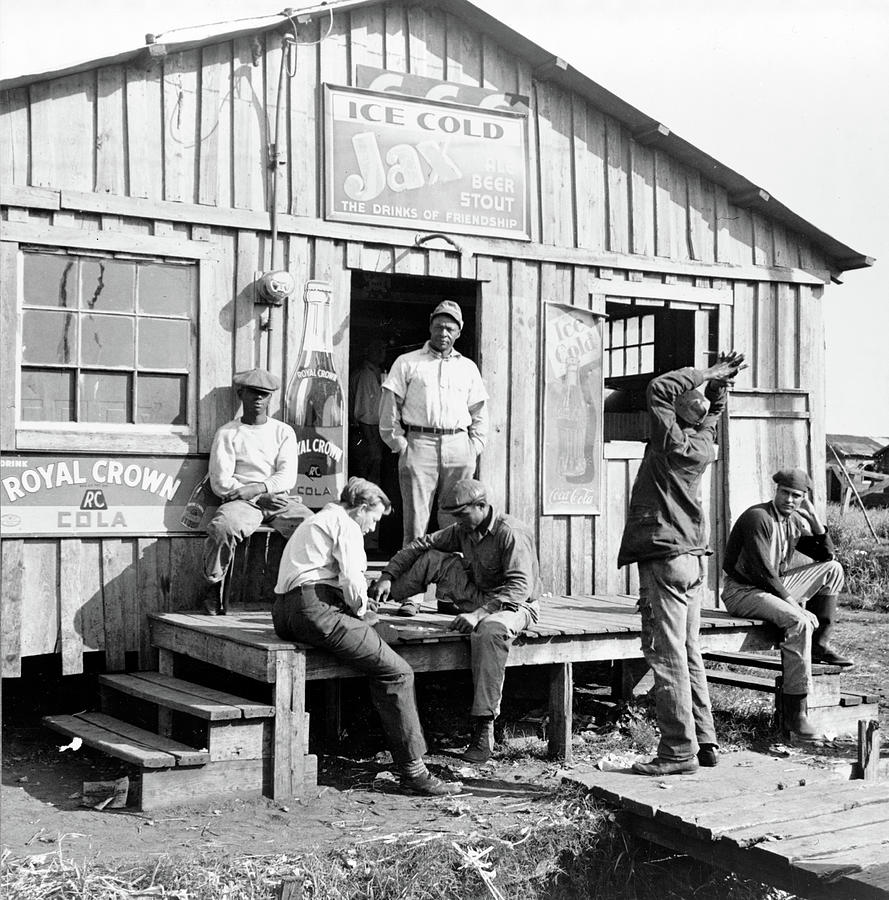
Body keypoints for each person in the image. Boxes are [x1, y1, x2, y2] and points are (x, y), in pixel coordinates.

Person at [272, 477, 461, 797]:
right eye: (373, 519)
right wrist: (363, 611)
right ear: (360, 508)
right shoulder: (344, 523)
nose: (372, 528)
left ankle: (376, 738)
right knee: (398, 671)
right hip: (315, 610)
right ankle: (413, 772)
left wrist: (359, 610)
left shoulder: (316, 519)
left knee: (377, 638)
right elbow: (351, 580)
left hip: (285, 612)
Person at [617, 352, 745, 776]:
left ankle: (677, 752)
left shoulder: (669, 439)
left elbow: (658, 388)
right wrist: (719, 390)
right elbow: (713, 413)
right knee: (690, 652)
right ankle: (705, 741)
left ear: (675, 413)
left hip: (665, 555)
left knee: (666, 655)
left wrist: (708, 374)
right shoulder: (703, 442)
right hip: (693, 559)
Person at [369, 479, 542, 764]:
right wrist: (388, 576)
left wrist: (477, 615)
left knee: (490, 631)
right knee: (433, 557)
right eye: (455, 516)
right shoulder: (464, 528)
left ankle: (484, 727)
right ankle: (376, 598)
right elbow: (421, 545)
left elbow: (519, 589)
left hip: (516, 606)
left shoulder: (510, 532)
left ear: (482, 507)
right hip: (480, 598)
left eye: (462, 514)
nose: (458, 522)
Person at [721, 468, 852, 739]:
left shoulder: (792, 520)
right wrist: (795, 606)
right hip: (743, 591)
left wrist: (815, 519)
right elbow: (762, 572)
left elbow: (826, 554)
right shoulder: (758, 517)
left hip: (772, 589)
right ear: (776, 491)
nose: (789, 500)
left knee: (833, 569)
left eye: (797, 496)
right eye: (785, 493)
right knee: (799, 621)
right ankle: (796, 713)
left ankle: (819, 646)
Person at [379, 301, 489, 616]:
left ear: (459, 331)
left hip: (458, 443)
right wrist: (400, 444)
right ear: (430, 326)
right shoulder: (408, 362)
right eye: (439, 325)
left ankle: (449, 595)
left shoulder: (467, 367)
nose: (444, 332)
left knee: (456, 523)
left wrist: (474, 446)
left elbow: (479, 412)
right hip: (419, 442)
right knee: (415, 523)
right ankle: (410, 597)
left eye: (451, 327)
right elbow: (389, 408)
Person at [201, 368, 309, 616]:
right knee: (222, 527)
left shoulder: (283, 432)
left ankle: (303, 591)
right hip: (241, 501)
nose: (258, 400)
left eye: (264, 395)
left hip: (277, 499)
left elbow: (286, 476)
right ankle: (212, 585)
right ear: (241, 394)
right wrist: (251, 493)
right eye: (253, 394)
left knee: (312, 526)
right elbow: (220, 481)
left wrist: (260, 488)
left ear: (271, 398)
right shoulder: (228, 433)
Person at [350, 338, 388, 487]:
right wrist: (372, 444)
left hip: (372, 433)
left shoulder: (375, 374)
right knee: (368, 481)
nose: (381, 353)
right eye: (377, 349)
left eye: (383, 349)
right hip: (366, 434)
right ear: (368, 352)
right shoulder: (366, 376)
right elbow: (364, 414)